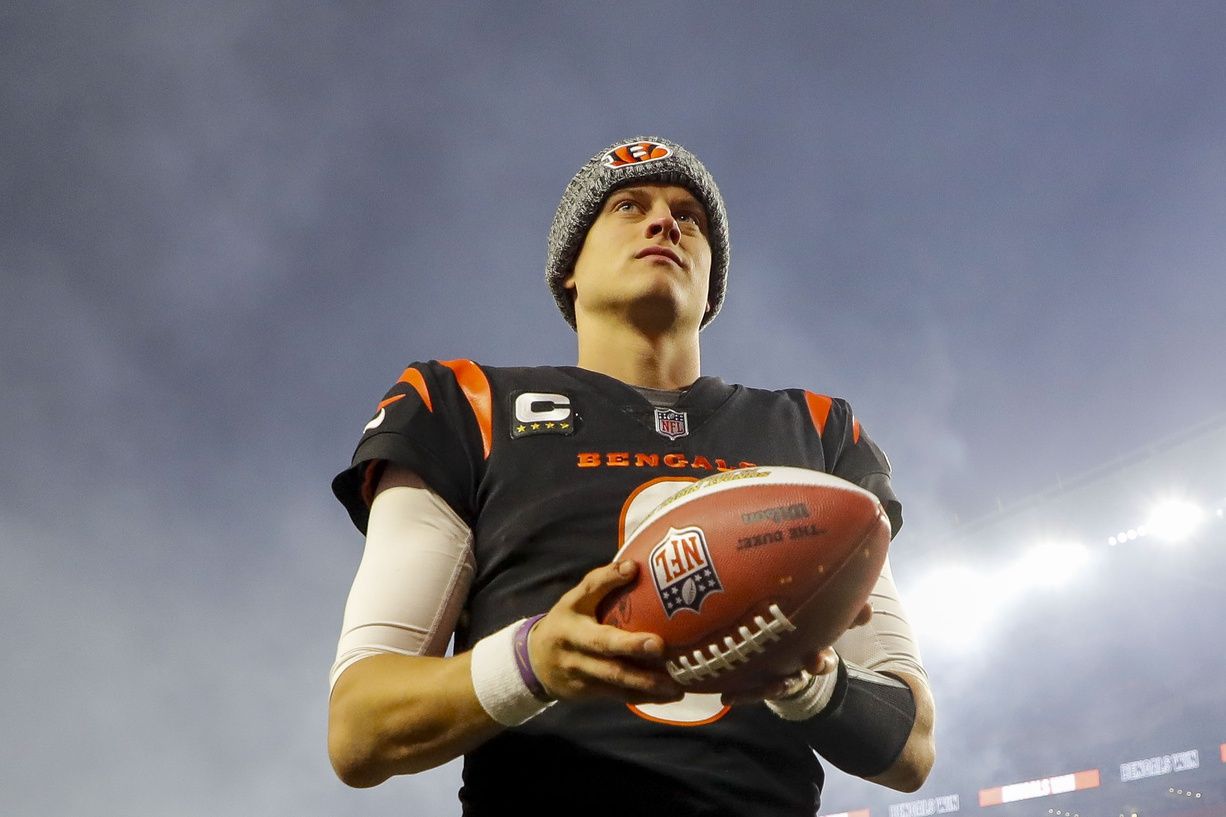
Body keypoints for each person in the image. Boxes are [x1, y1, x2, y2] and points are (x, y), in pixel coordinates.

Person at [327, 136, 935, 816]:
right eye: (627, 205)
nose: (665, 222)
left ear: (712, 283)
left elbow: (911, 746)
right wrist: (533, 664)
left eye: (690, 217)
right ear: (570, 270)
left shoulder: (815, 429)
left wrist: (807, 685)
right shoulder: (466, 406)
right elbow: (359, 726)